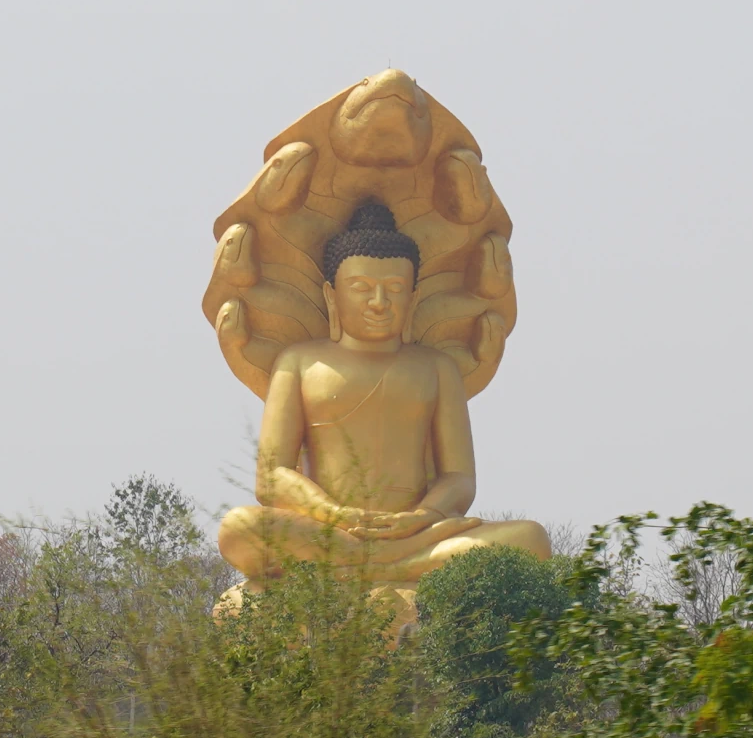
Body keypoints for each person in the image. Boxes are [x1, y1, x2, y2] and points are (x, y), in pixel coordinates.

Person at [217, 203, 550, 588]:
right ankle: (395, 571)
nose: (378, 302)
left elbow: (459, 478)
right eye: (361, 288)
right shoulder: (299, 362)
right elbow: (272, 478)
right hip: (332, 533)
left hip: (416, 536)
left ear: (413, 296)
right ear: (331, 296)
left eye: (393, 289)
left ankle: (374, 570)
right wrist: (334, 514)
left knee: (531, 539)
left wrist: (424, 516)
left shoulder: (436, 367)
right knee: (239, 527)